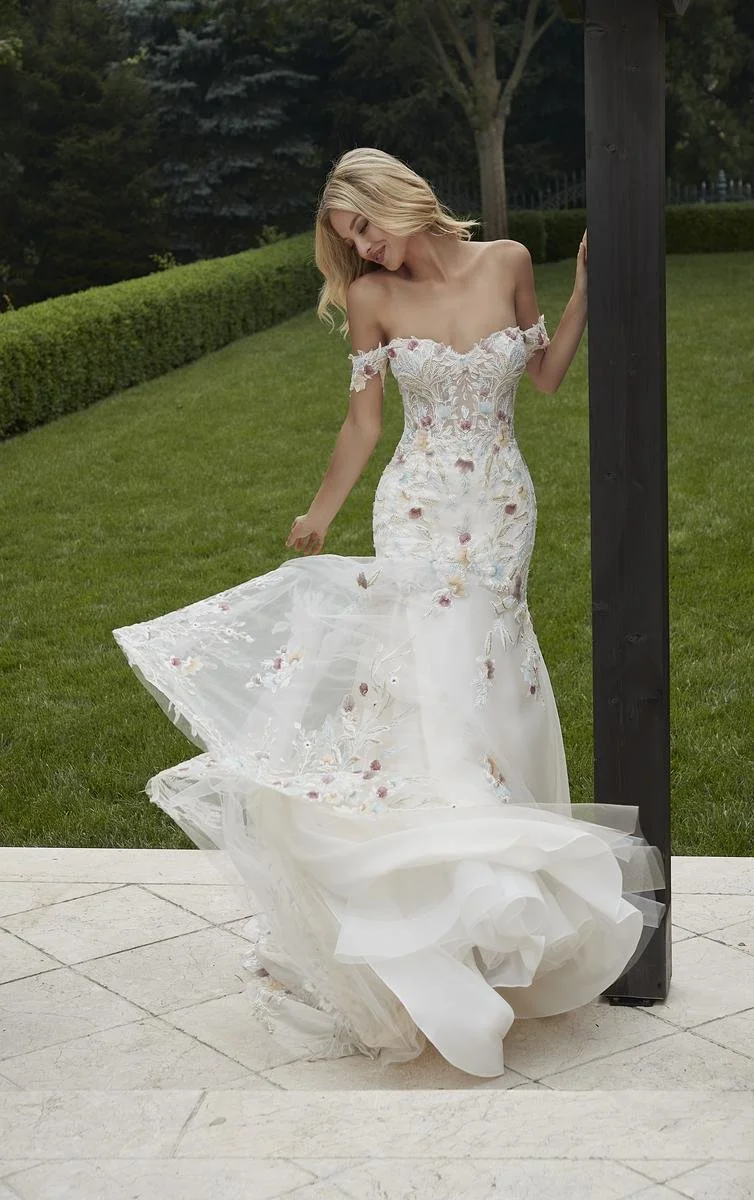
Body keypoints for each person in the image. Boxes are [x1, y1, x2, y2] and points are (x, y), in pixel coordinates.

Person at [112, 147, 666, 1079]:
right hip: (415, 510)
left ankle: (489, 926)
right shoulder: (370, 299)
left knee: (496, 685)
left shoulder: (509, 263)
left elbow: (544, 380)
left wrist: (583, 293)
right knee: (430, 693)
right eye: (349, 238)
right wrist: (320, 513)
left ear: (403, 199)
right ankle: (435, 918)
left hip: (498, 508)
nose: (364, 247)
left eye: (366, 224)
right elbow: (366, 422)